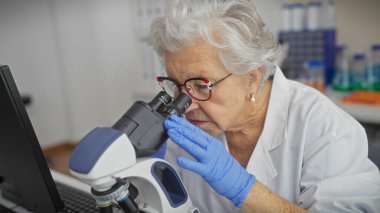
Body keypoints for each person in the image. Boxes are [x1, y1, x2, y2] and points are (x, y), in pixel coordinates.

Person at [148, 0, 380, 212]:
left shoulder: (323, 126)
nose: (185, 106)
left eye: (201, 85)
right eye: (175, 85)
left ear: (252, 78)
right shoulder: (185, 132)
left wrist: (245, 189)